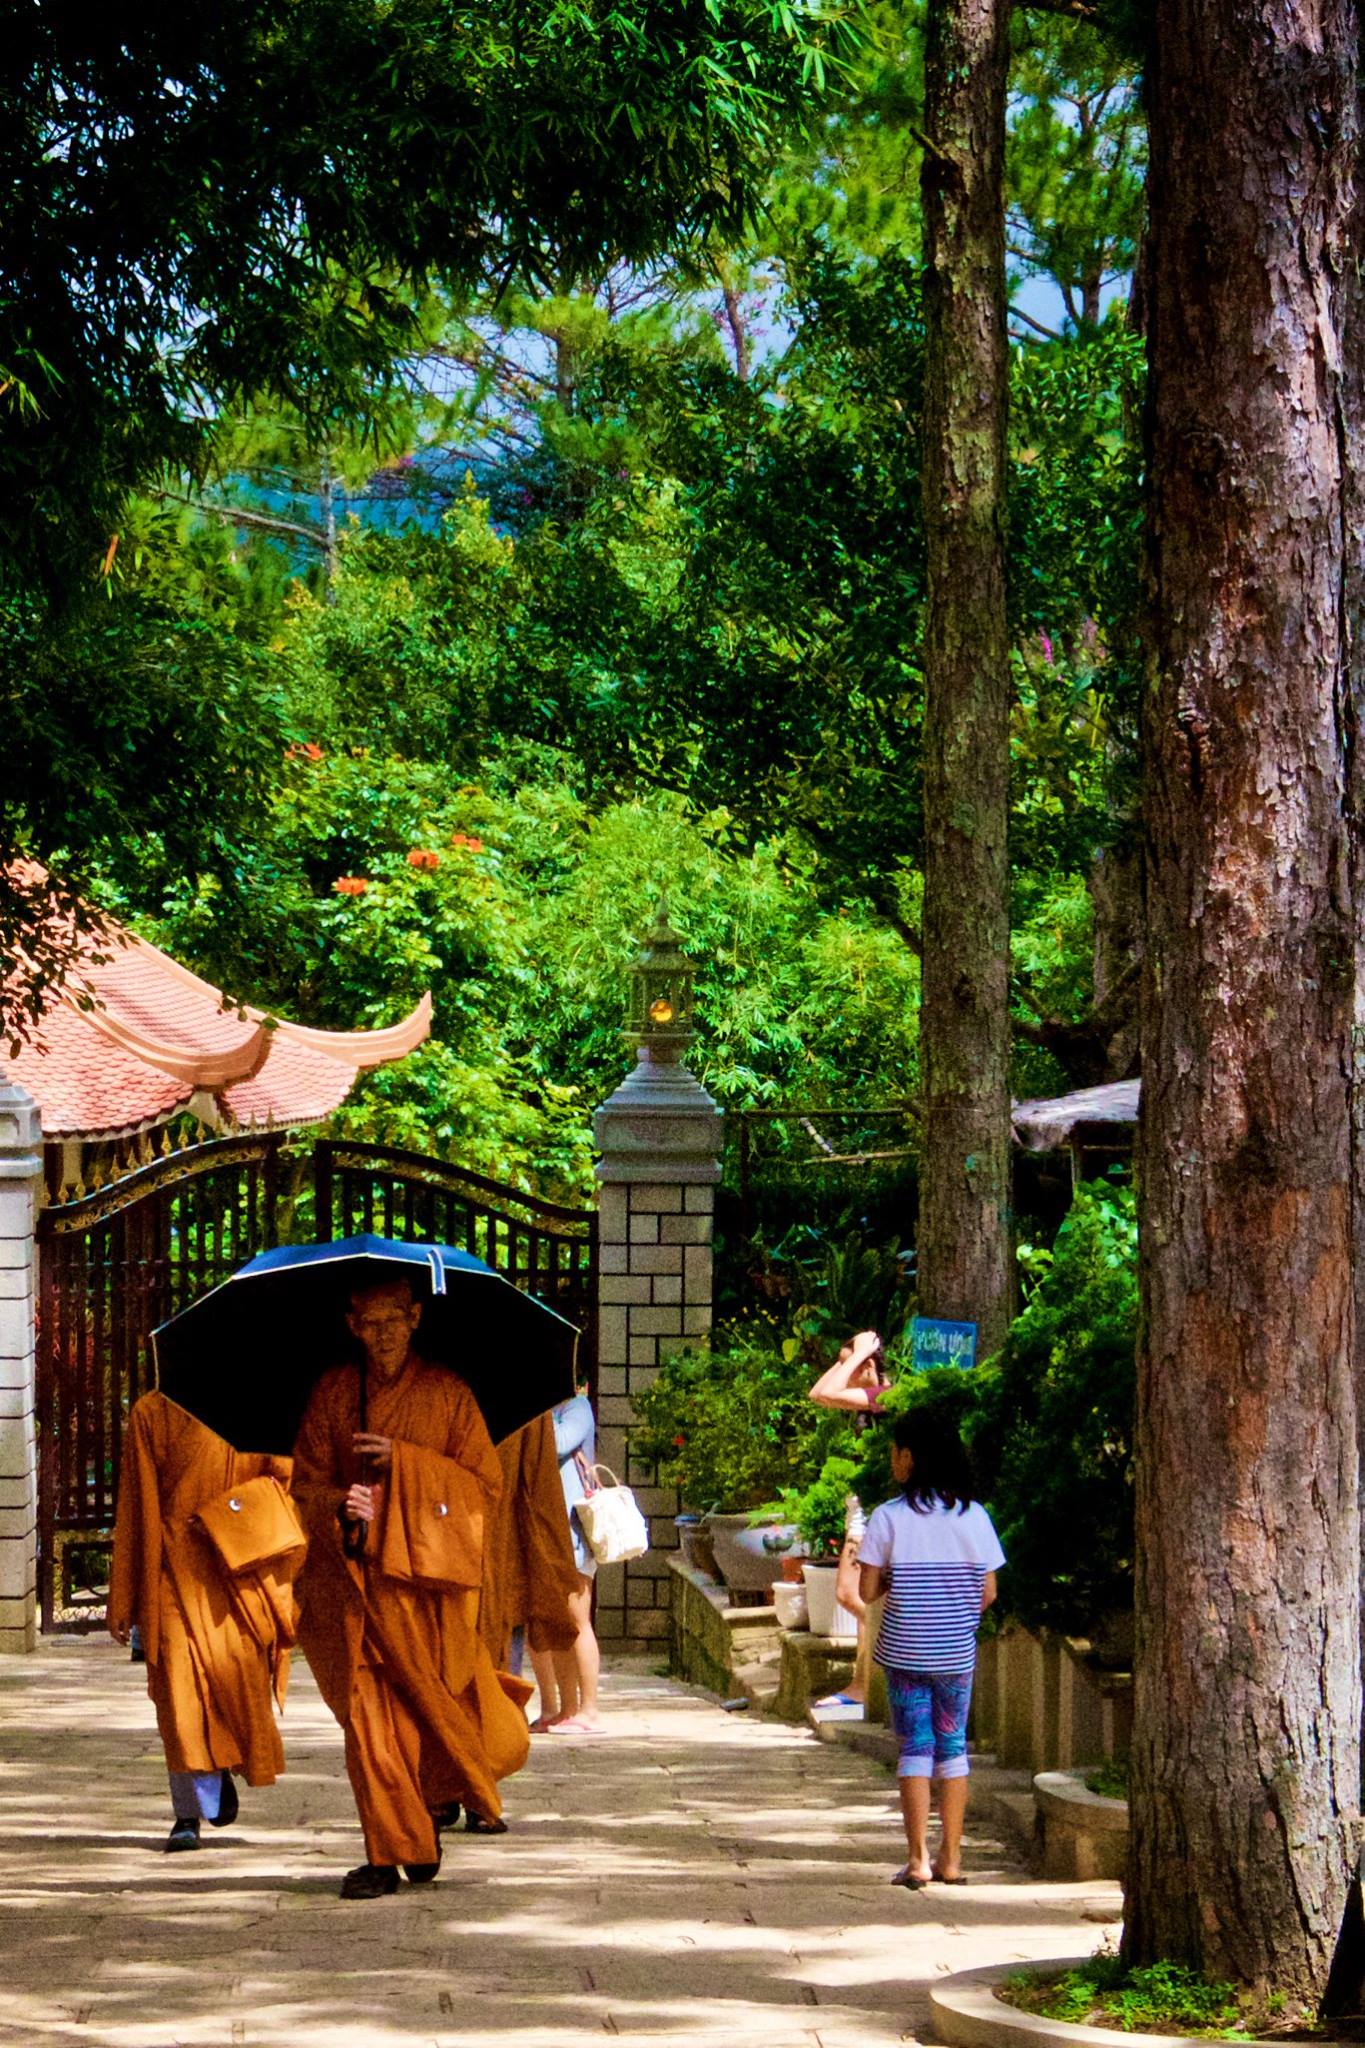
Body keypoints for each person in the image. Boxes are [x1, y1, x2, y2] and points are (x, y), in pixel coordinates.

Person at [291, 1276, 532, 1899]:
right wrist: (345, 1504)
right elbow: (305, 1487)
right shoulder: (334, 1393)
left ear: (416, 1317)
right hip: (358, 1591)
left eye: (394, 1320)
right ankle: (387, 1851)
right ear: (351, 1326)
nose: (383, 1334)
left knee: (427, 1719)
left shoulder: (449, 1395)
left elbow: (483, 1489)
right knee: (371, 1724)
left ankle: (420, 1821)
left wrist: (408, 1466)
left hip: (425, 1595)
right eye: (370, 1323)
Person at [107, 1390, 303, 1852]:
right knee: (179, 1695)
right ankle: (187, 1813)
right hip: (174, 1568)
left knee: (235, 1686)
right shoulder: (152, 1412)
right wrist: (126, 1595)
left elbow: (285, 1484)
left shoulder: (261, 1410)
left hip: (239, 1570)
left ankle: (215, 1773)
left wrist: (229, 1513)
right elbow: (135, 1505)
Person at [858, 1410, 1004, 1889]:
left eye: (895, 1451)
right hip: (956, 1655)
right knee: (953, 1747)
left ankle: (918, 1859)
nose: (892, 1460)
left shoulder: (888, 1517)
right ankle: (953, 1858)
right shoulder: (975, 1516)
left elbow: (867, 1589)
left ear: (910, 1458)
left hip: (904, 1655)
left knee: (915, 1749)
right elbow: (989, 1593)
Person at [807, 1329, 890, 1709]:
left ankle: (883, 1649)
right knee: (850, 1593)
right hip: (863, 1504)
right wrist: (850, 1357)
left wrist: (857, 1356)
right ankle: (861, 1684)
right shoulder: (865, 1399)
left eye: (852, 1366)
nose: (844, 1372)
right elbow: (817, 1393)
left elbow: (826, 1393)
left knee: (851, 1593)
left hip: (876, 1509)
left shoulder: (883, 1398)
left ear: (869, 1367)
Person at [478, 1408, 580, 1685]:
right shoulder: (443, 1397)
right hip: (458, 1550)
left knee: (502, 1668)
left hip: (506, 1551)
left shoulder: (528, 1410)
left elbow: (539, 1488)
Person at [527, 1390, 604, 1735]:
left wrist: (530, 1418)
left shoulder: (577, 1408)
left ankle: (587, 1710)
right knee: (544, 1625)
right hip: (540, 1528)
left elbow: (556, 1443)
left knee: (576, 1621)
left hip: (571, 1534)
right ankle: (555, 1708)